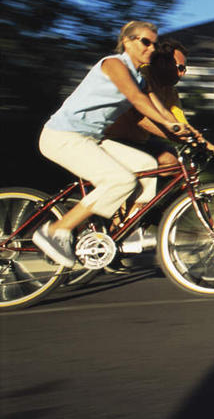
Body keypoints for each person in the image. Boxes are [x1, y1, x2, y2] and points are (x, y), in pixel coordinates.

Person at [33, 21, 191, 267]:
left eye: (154, 44)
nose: (151, 48)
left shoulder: (141, 78)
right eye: (145, 42)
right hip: (63, 136)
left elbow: (160, 111)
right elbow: (137, 101)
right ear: (127, 42)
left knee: (147, 166)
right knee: (121, 181)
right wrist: (168, 126)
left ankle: (127, 232)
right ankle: (55, 231)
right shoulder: (114, 64)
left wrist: (193, 137)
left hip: (91, 138)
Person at [104, 40, 214, 166]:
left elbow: (181, 124)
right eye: (180, 68)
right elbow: (139, 118)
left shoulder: (170, 91)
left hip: (137, 141)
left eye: (184, 70)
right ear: (163, 63)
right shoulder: (142, 75)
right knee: (148, 164)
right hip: (110, 138)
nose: (182, 74)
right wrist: (177, 137)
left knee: (172, 161)